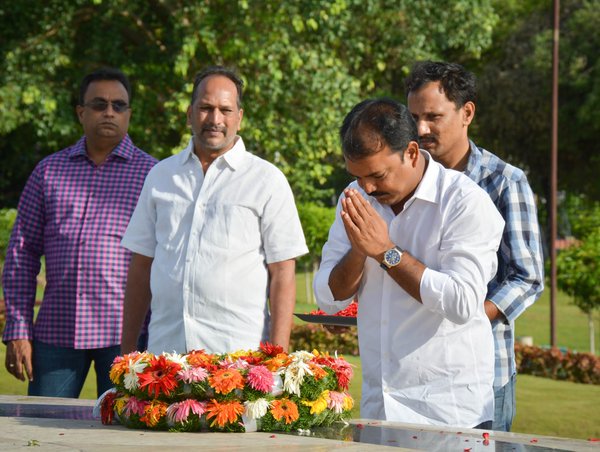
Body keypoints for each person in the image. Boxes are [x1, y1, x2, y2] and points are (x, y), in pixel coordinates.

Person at [313, 98, 505, 428]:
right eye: (357, 176)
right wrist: (359, 249)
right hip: (379, 408)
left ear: (412, 152)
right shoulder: (355, 196)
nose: (367, 187)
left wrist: (386, 252)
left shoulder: (464, 202)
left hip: (449, 414)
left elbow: (462, 303)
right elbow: (329, 299)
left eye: (377, 175)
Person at [120, 66, 307, 356]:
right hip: (166, 355)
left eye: (225, 110)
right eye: (206, 108)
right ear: (189, 114)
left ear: (239, 118)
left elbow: (283, 272)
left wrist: (277, 357)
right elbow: (141, 265)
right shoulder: (161, 176)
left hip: (238, 356)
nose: (215, 119)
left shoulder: (267, 180)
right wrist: (128, 349)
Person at [405, 61, 545, 432]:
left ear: (467, 113)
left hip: (481, 373)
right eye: (414, 117)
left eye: (433, 117)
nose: (421, 129)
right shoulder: (403, 181)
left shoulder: (504, 182)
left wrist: (466, 317)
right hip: (413, 373)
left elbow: (527, 278)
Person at [2, 68, 157, 398]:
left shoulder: (154, 176)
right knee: (42, 426)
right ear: (81, 112)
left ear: (129, 114)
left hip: (128, 334)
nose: (109, 112)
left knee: (125, 427)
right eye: (99, 104)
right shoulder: (49, 171)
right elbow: (21, 253)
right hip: (57, 331)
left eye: (119, 105)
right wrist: (18, 328)